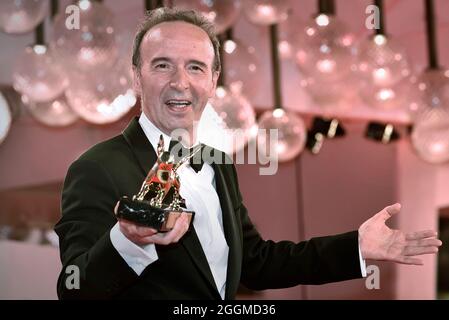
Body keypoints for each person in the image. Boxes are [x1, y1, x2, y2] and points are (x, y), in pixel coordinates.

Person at [54, 7, 442, 300]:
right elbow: (74, 288)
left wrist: (355, 247)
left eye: (195, 67)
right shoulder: (96, 168)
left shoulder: (218, 165)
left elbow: (256, 262)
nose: (180, 82)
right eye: (162, 65)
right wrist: (128, 239)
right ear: (137, 78)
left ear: (213, 80)